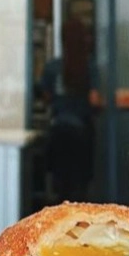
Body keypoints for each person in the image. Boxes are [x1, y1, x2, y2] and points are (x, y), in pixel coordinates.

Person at [36, 18, 99, 203]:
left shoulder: (52, 67)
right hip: (82, 133)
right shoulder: (89, 66)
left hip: (59, 132)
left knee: (61, 189)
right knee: (80, 188)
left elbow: (45, 96)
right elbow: (94, 99)